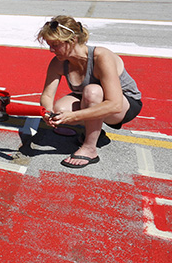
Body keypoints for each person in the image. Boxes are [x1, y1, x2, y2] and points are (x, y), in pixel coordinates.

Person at [35, 16, 142, 168]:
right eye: (49, 45)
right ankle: (93, 131)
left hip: (124, 104)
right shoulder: (58, 62)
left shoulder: (101, 57)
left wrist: (74, 116)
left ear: (71, 41)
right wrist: (48, 112)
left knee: (92, 92)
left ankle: (90, 148)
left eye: (55, 45)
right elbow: (47, 95)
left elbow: (115, 105)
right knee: (60, 110)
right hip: (92, 98)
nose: (51, 50)